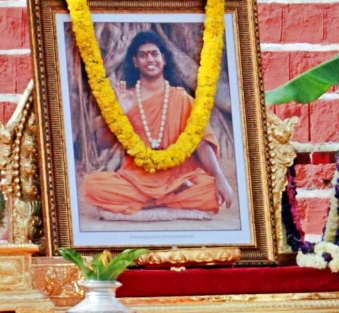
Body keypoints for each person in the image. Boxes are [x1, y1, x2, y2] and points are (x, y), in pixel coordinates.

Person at [78, 27, 235, 219]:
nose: (149, 59)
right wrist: (120, 114)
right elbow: (103, 142)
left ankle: (145, 203)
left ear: (164, 59)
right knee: (92, 185)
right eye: (143, 55)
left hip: (177, 178)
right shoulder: (127, 98)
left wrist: (220, 177)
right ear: (135, 62)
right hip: (136, 179)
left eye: (154, 53)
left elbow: (201, 143)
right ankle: (163, 201)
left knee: (210, 190)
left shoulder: (182, 99)